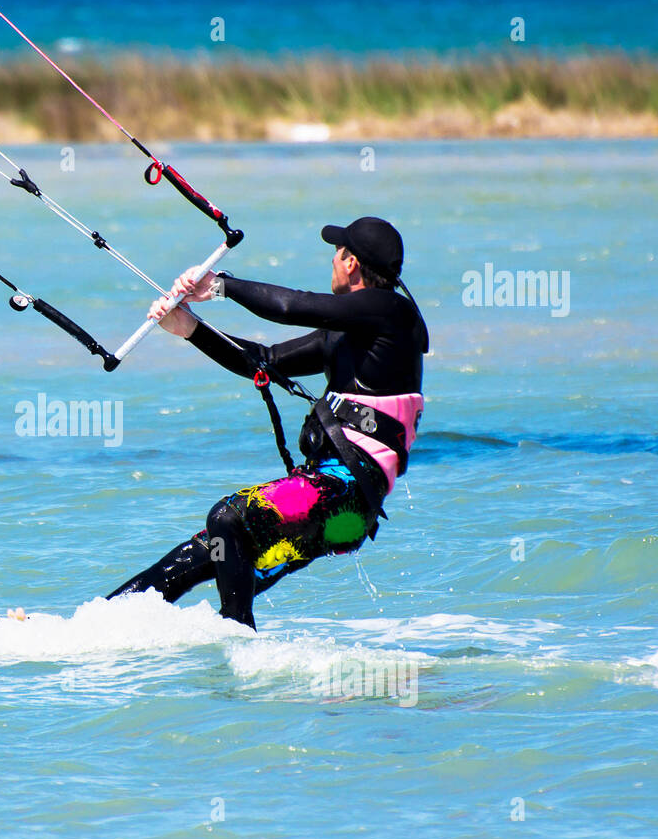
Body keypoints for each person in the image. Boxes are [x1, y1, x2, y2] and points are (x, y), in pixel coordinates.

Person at [104, 216, 430, 630]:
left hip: (344, 494)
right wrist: (189, 328)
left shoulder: (392, 313)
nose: (332, 261)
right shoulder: (347, 336)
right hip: (332, 508)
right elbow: (266, 361)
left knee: (227, 517)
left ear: (350, 262)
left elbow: (293, 306)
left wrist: (221, 285)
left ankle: (237, 639)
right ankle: (97, 621)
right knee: (207, 552)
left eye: (336, 253)